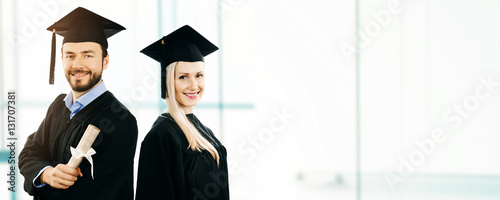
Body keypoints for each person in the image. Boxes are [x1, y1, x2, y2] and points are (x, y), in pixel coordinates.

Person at [18, 7, 138, 200]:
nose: (77, 64)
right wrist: (46, 173)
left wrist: (48, 177)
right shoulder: (58, 106)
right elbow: (29, 152)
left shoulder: (120, 119)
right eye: (70, 55)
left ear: (105, 61)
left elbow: (96, 191)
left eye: (88, 55)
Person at [136, 25, 229, 200]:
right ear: (169, 81)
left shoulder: (204, 131)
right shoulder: (162, 135)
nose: (194, 85)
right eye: (183, 77)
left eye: (199, 75)